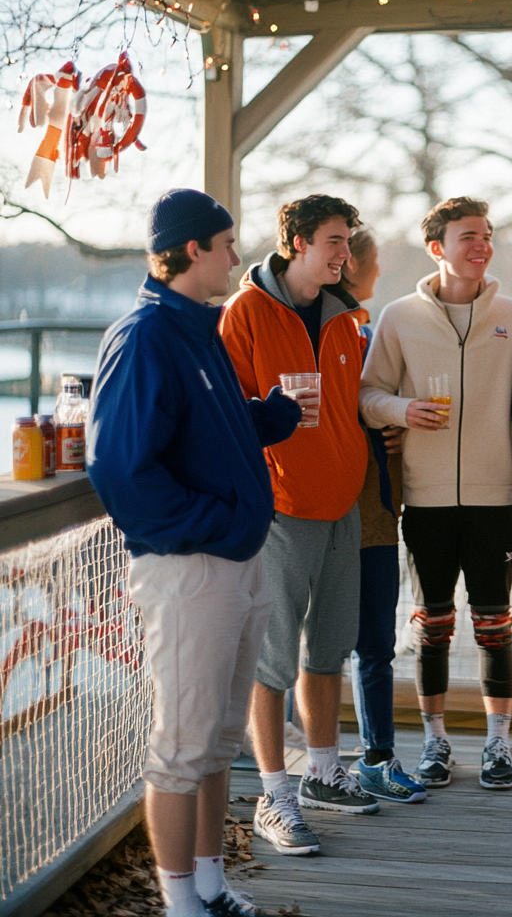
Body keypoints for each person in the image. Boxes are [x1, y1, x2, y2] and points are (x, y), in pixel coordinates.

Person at [87, 189, 301, 917]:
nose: (238, 257)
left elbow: (199, 424)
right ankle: (181, 905)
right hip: (189, 572)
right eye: (228, 244)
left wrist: (264, 419)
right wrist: (216, 521)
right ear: (191, 251)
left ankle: (211, 887)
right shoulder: (145, 335)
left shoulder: (198, 330)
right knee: (182, 746)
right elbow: (121, 469)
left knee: (218, 741)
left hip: (237, 563)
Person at [220, 194, 379, 857]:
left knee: (328, 651)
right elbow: (227, 417)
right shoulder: (246, 313)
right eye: (335, 242)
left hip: (343, 507)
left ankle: (321, 772)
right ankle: (274, 795)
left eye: (348, 241)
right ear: (296, 243)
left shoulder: (348, 317)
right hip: (280, 510)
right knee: (273, 659)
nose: (346, 253)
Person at [359, 196, 512, 790]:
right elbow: (368, 394)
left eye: (486, 235)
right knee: (431, 624)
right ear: (438, 248)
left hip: (492, 497)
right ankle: (435, 742)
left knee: (495, 623)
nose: (481, 246)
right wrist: (403, 410)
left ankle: (498, 746)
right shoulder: (398, 317)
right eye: (468, 236)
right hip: (425, 499)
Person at [337, 228, 426, 803]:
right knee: (331, 648)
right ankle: (324, 758)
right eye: (374, 262)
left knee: (375, 642)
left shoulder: (368, 333)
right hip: (326, 513)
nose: (377, 269)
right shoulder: (336, 335)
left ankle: (376, 756)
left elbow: (373, 402)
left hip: (375, 512)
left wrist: (388, 421)